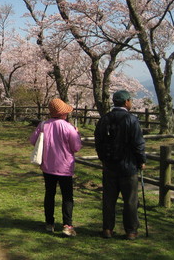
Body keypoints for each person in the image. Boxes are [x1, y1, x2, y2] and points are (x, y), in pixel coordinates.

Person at [94, 90, 146, 240]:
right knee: (130, 200)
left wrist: (102, 158)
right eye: (130, 100)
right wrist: (141, 160)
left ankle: (107, 229)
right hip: (128, 166)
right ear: (125, 102)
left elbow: (98, 141)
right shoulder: (131, 119)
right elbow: (138, 143)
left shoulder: (105, 119)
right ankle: (131, 231)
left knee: (109, 199)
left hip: (109, 165)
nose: (131, 102)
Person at [30, 98, 82, 237]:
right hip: (65, 167)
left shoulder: (43, 125)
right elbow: (76, 147)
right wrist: (77, 133)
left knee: (49, 194)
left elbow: (32, 141)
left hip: (47, 166)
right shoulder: (68, 127)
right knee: (67, 197)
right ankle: (67, 225)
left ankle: (49, 223)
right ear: (63, 113)